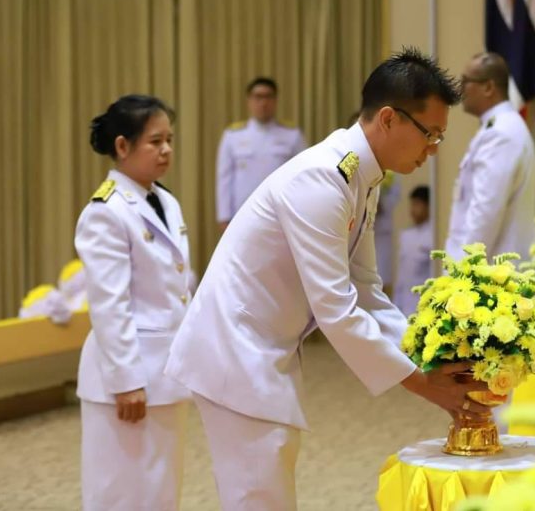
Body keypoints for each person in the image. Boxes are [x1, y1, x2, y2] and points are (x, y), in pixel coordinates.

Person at [166, 48, 491, 510]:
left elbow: (366, 289)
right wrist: (423, 384)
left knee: (269, 484)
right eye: (430, 134)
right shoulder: (321, 179)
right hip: (235, 349)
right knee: (258, 493)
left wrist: (426, 355)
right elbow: (336, 308)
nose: (433, 149)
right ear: (388, 118)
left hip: (265, 346)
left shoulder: (359, 175)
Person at [75, 95, 193, 511]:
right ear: (122, 146)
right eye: (155, 141)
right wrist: (126, 380)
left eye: (169, 140)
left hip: (165, 372)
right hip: (127, 377)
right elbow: (109, 303)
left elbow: (178, 284)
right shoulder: (106, 211)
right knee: (120, 491)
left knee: (160, 488)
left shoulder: (164, 200)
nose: (166, 150)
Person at [444, 52, 535, 261]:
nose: (460, 88)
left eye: (466, 81)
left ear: (488, 87)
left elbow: (485, 212)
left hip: (491, 272)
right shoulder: (498, 126)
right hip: (491, 268)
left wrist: (464, 267)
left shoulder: (501, 133)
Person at [215, 77, 307, 230]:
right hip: (242, 213)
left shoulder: (292, 135)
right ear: (249, 101)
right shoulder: (233, 135)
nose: (263, 103)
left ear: (276, 100)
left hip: (282, 212)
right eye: (258, 97)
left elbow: (303, 175)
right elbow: (224, 178)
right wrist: (224, 216)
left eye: (268, 97)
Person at [392, 185, 433, 316]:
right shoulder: (406, 235)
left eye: (417, 204)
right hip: (404, 305)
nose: (413, 210)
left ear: (428, 206)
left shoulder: (433, 236)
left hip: (424, 305)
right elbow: (401, 275)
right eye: (412, 205)